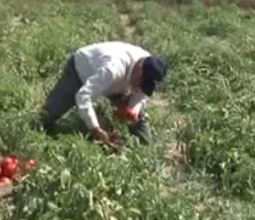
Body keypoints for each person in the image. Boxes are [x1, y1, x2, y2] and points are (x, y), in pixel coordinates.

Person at [37, 41, 167, 150]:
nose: (140, 87)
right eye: (142, 82)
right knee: (48, 115)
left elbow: (141, 94)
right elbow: (83, 96)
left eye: (146, 86)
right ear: (139, 67)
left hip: (120, 82)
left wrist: (132, 109)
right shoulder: (113, 69)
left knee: (138, 117)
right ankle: (36, 135)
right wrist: (96, 129)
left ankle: (146, 149)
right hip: (81, 70)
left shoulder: (151, 66)